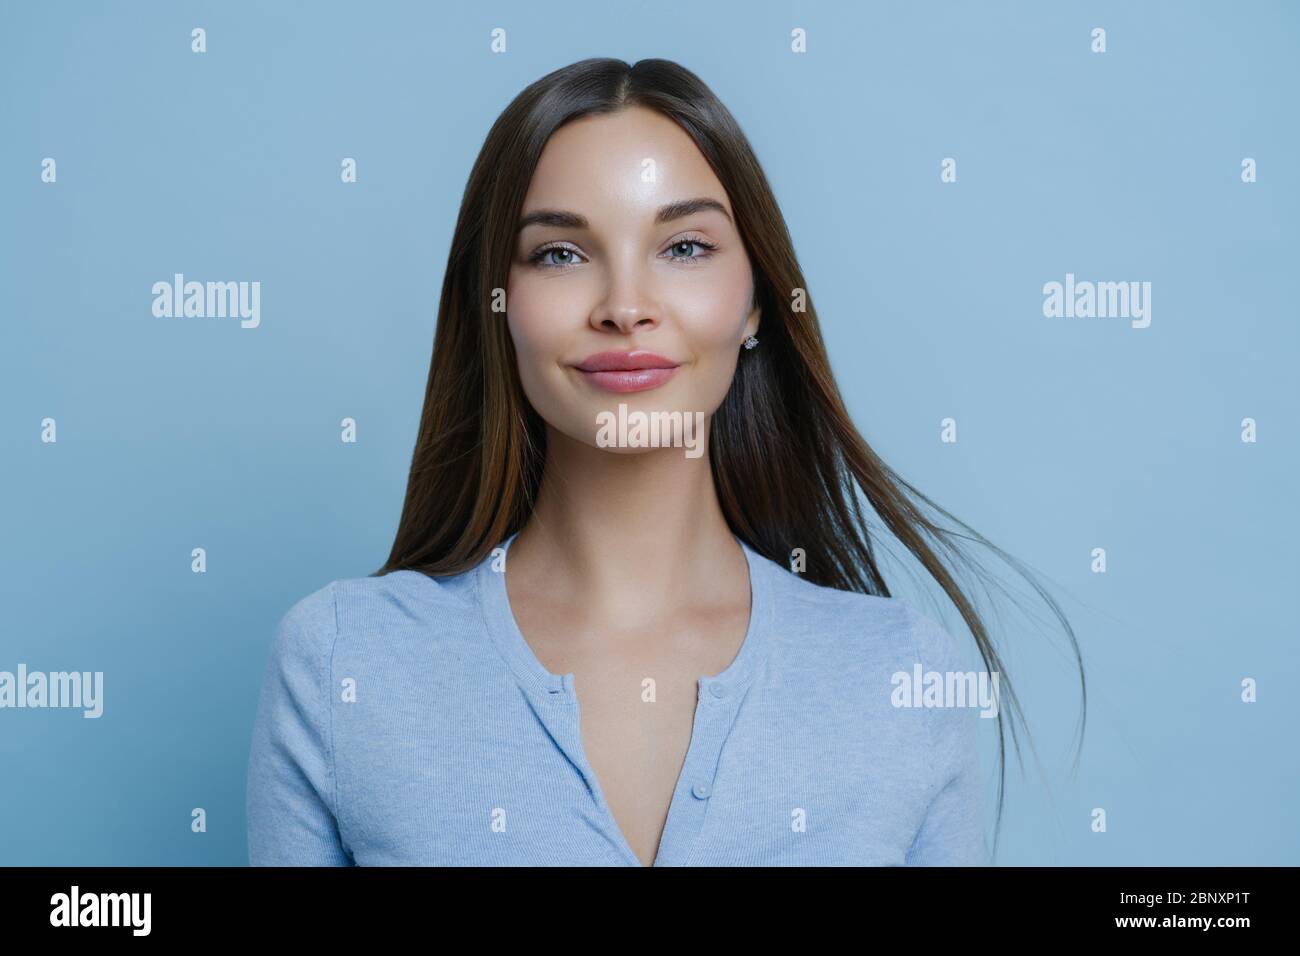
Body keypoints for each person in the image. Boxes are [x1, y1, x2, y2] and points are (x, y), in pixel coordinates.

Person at [247, 57, 1081, 867]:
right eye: (560, 254)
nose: (625, 308)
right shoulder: (342, 664)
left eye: (683, 247)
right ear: (496, 305)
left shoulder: (903, 677)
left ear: (756, 300)